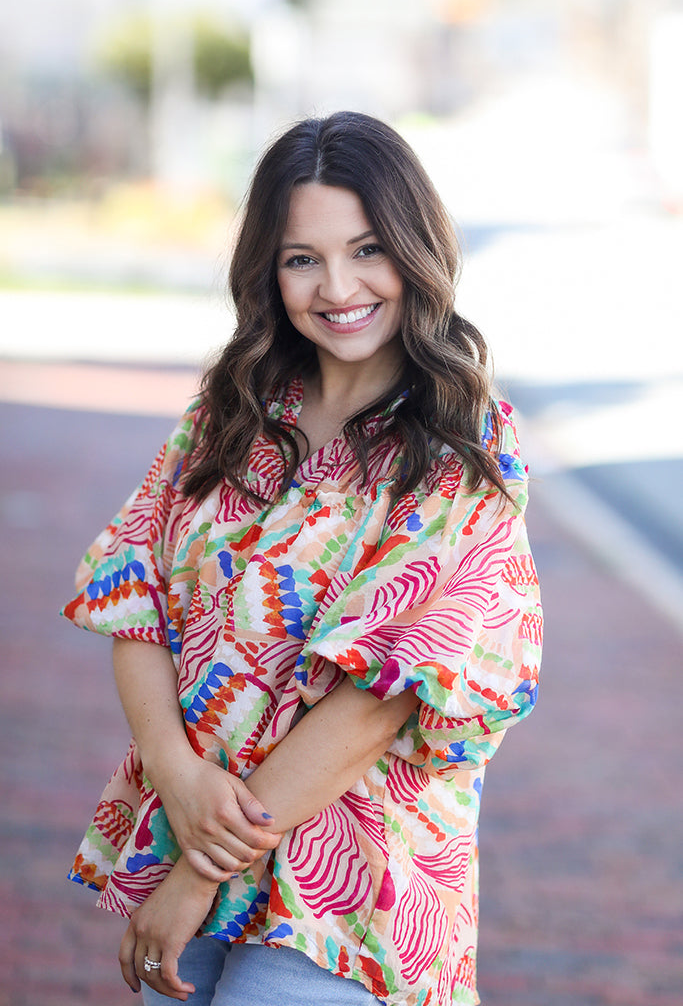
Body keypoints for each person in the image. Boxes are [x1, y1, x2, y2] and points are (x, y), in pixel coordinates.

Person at [62, 111, 542, 1006]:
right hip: (191, 826)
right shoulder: (230, 415)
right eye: (301, 258)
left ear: (415, 251)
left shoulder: (460, 445)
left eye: (367, 250)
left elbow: (378, 701)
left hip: (356, 889)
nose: (337, 286)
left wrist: (199, 872)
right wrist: (178, 777)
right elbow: (135, 595)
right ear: (267, 270)